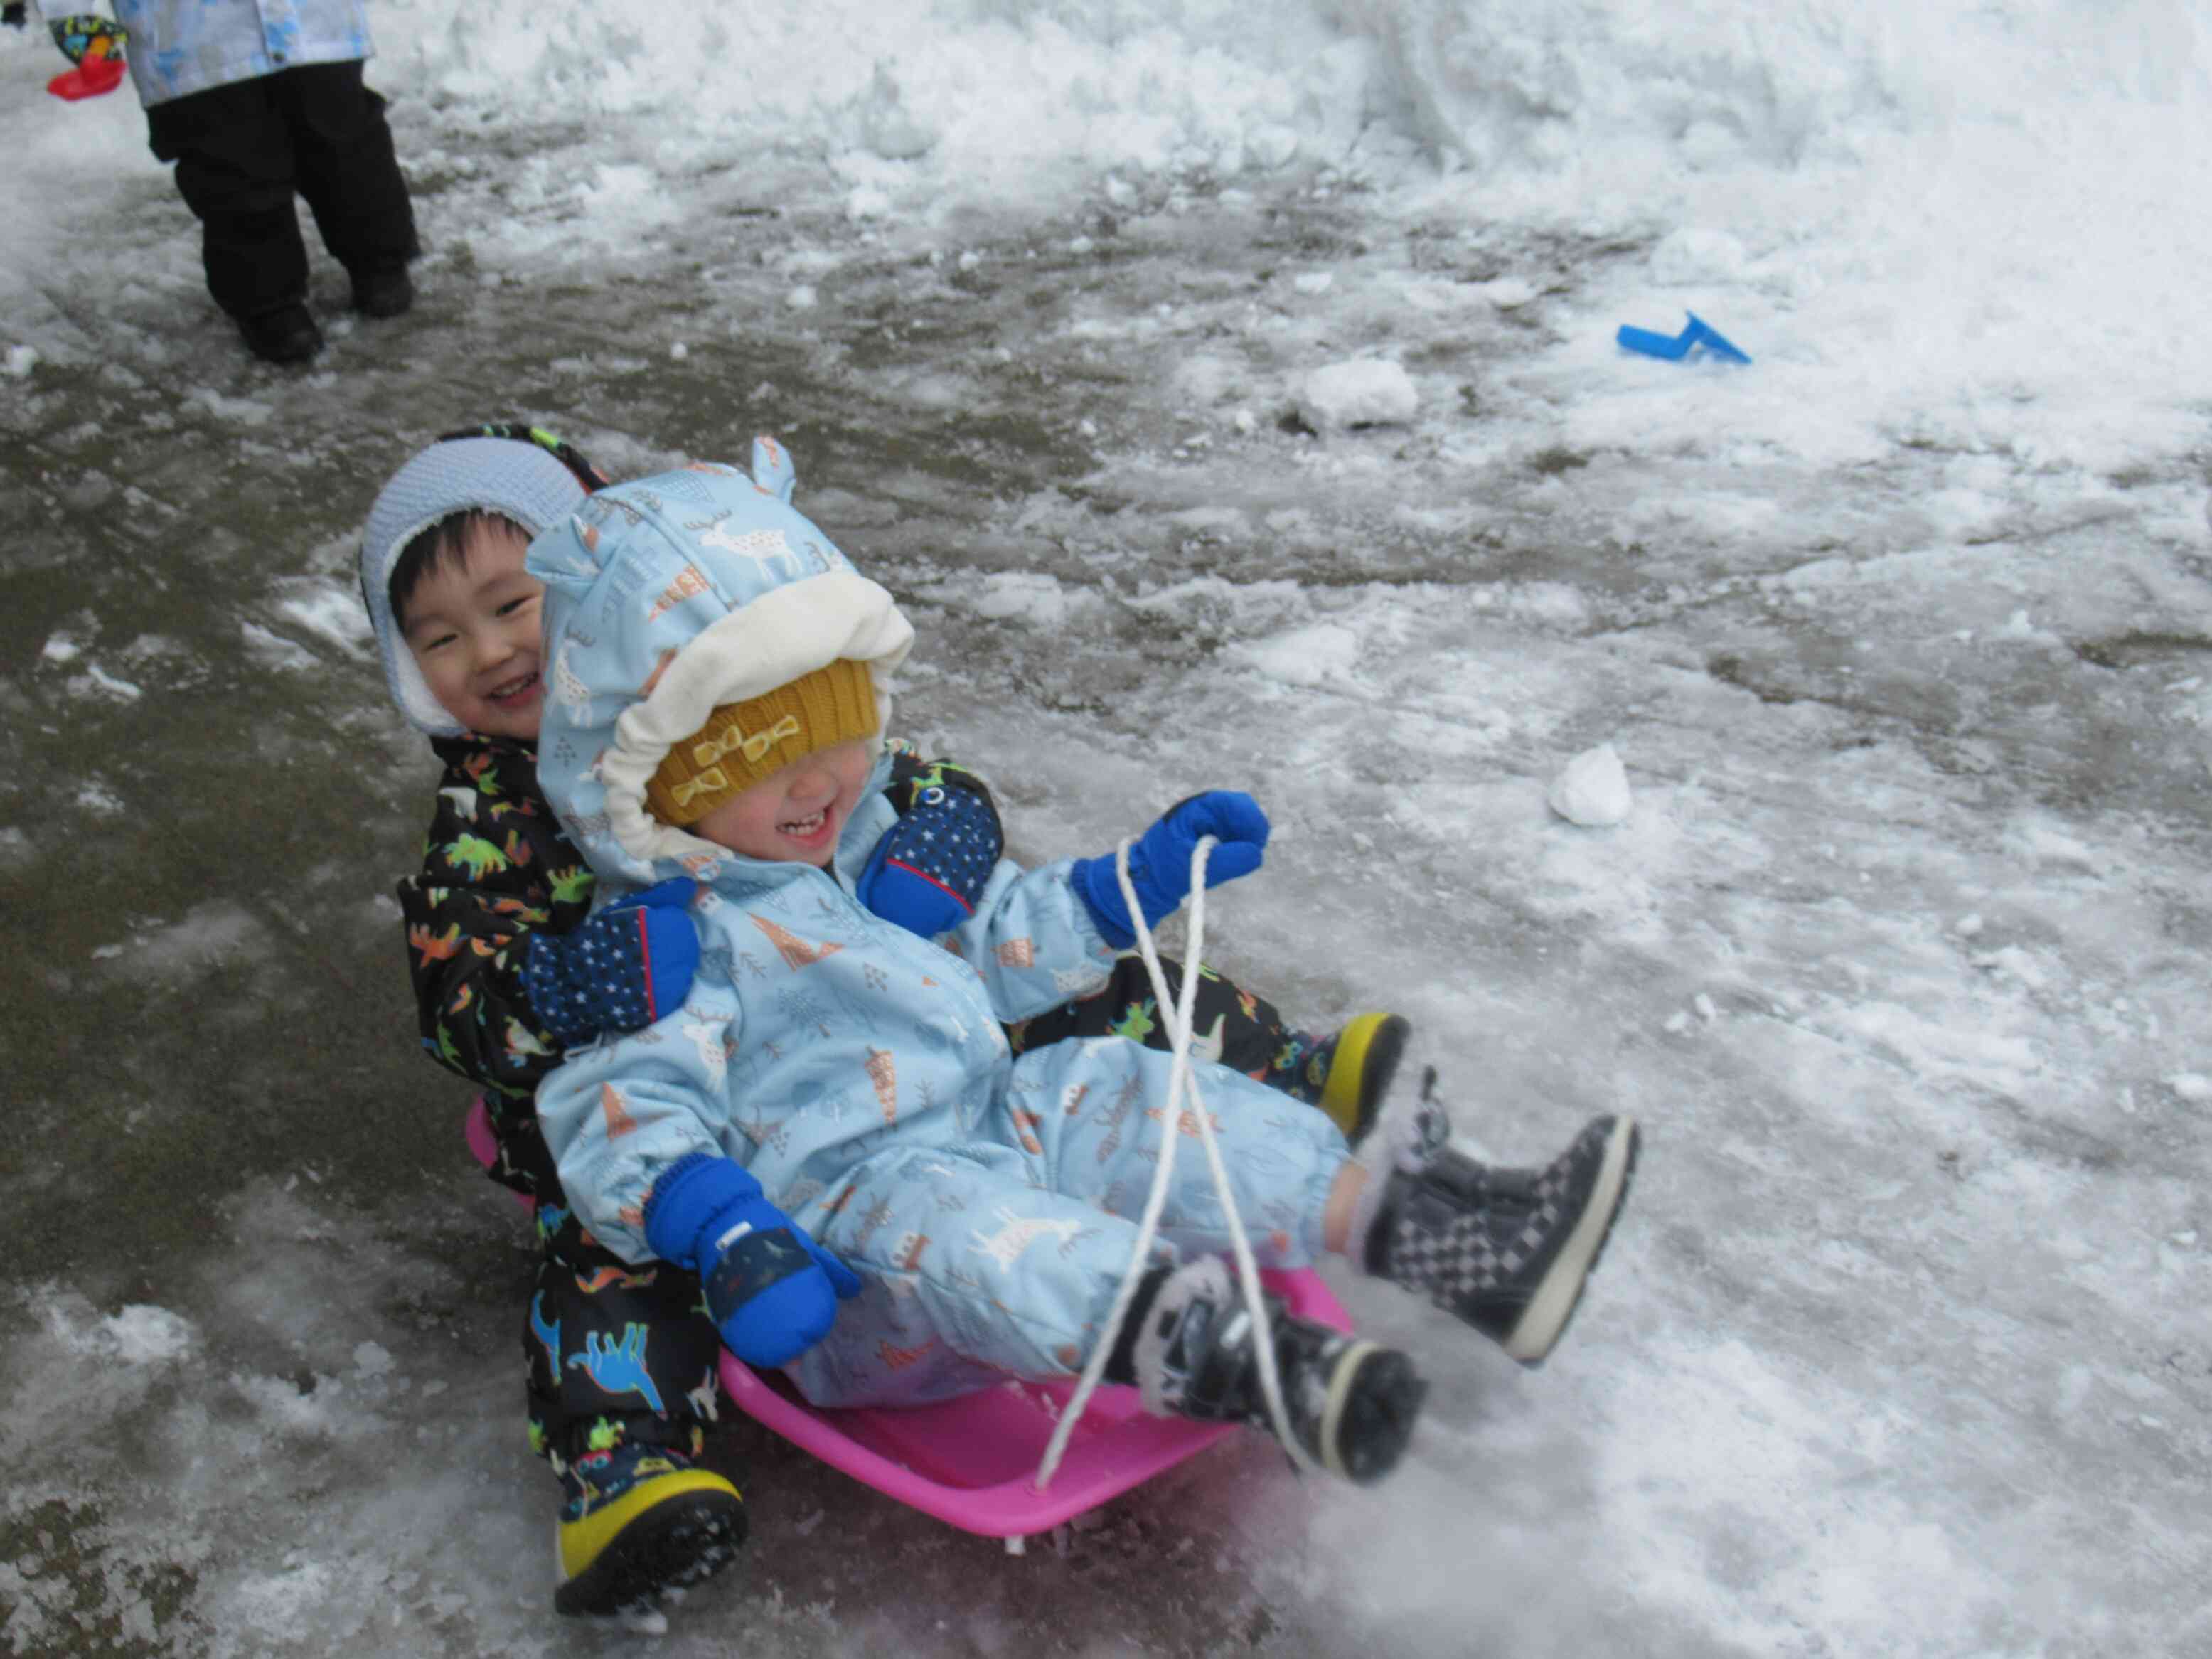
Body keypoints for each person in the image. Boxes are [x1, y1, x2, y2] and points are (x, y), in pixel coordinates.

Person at [522, 440, 1642, 1613]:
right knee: (962, 1215)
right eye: (758, 755)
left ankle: (1432, 1233)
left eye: (839, 726)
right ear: (648, 779)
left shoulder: (866, 845)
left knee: (1110, 1083)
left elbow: (1005, 941)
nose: (819, 781)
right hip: (852, 1259)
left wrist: (1131, 883)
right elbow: (621, 1112)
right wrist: (728, 1226)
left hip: (988, 1121)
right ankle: (1228, 1354)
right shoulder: (664, 945)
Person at [356, 425, 1412, 1619]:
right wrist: (561, 990)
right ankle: (627, 1467)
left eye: (512, 603)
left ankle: (1285, 1070)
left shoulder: (730, 674)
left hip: (866, 1026)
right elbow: (455, 1000)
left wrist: (943, 835)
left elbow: (892, 767)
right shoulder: (483, 827)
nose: (490, 650)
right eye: (440, 637)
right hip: (651, 1099)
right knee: (615, 1252)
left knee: (1066, 985)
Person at [109, 0, 418, 363]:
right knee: (233, 166)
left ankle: (379, 261)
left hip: (314, 23)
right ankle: (268, 304)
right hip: (194, 38)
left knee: (347, 143)